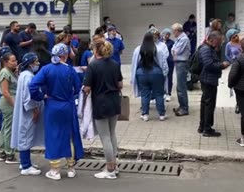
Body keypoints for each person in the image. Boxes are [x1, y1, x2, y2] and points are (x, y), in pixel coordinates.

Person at [29, 43, 84, 181]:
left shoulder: (46, 69)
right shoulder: (70, 70)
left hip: (52, 105)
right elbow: (78, 89)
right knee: (70, 135)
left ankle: (55, 170)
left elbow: (33, 86)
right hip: (68, 106)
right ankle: (71, 168)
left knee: (53, 136)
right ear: (64, 55)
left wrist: (41, 96)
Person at [83, 40, 123, 179]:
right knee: (112, 134)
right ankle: (115, 165)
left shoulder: (93, 65)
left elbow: (87, 88)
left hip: (101, 102)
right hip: (115, 101)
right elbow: (120, 84)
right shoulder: (115, 64)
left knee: (104, 136)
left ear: (96, 50)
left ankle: (110, 168)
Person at [11, 52, 44, 176]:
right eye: (36, 62)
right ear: (30, 64)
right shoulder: (28, 77)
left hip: (26, 111)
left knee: (25, 135)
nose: (38, 64)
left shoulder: (25, 75)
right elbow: (28, 97)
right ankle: (26, 166)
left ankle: (26, 162)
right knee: (26, 136)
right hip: (28, 112)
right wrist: (35, 110)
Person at [198, 31, 230, 137]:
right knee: (209, 105)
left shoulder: (208, 48)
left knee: (205, 104)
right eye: (218, 41)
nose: (219, 44)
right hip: (208, 80)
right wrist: (222, 65)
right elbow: (208, 64)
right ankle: (207, 129)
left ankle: (202, 126)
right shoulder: (206, 49)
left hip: (208, 79)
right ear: (211, 40)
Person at [131, 33, 169, 121]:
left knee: (144, 94)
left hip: (141, 73)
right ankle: (161, 115)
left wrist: (134, 76)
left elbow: (134, 63)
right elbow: (163, 63)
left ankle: (145, 115)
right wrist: (165, 73)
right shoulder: (158, 49)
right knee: (159, 94)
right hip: (156, 73)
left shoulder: (138, 49)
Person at [0, 52, 19, 164]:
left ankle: (3, 151)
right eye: (13, 60)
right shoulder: (5, 72)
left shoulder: (11, 72)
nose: (15, 62)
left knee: (5, 126)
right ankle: (9, 153)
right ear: (6, 62)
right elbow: (5, 92)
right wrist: (14, 104)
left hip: (10, 101)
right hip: (8, 102)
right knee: (9, 127)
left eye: (15, 60)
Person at [171, 23, 191, 116]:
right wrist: (174, 51)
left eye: (173, 31)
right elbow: (172, 49)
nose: (172, 33)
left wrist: (174, 52)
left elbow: (176, 51)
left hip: (182, 63)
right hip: (179, 63)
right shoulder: (179, 39)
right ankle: (182, 106)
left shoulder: (184, 39)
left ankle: (184, 108)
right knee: (179, 86)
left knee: (181, 87)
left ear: (177, 31)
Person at [161, 28, 175, 102]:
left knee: (169, 77)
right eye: (166, 34)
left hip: (169, 62)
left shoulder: (171, 42)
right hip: (161, 62)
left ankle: (168, 93)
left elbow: (174, 51)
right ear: (163, 34)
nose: (167, 36)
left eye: (168, 34)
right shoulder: (159, 42)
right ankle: (163, 92)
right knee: (162, 77)